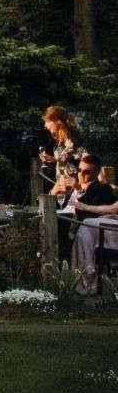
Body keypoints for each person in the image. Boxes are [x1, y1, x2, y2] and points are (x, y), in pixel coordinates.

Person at [66, 154, 118, 293]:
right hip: (73, 222)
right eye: (79, 170)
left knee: (87, 225)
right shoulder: (74, 188)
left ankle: (85, 281)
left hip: (101, 229)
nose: (81, 174)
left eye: (86, 171)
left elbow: (111, 208)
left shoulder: (102, 189)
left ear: (96, 172)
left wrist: (79, 193)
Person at [41, 105, 85, 194]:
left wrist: (79, 186)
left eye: (47, 121)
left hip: (75, 193)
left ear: (57, 121)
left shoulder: (73, 140)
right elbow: (71, 159)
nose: (45, 125)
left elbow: (88, 160)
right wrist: (54, 160)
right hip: (62, 190)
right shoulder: (60, 140)